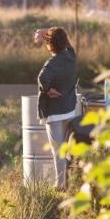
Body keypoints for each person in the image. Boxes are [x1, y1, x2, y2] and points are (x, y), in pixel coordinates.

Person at [34, 27, 77, 190]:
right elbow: (67, 44)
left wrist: (47, 89)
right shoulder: (71, 56)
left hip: (55, 113)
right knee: (66, 150)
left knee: (57, 152)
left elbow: (42, 78)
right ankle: (68, 182)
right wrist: (47, 32)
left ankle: (60, 185)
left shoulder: (52, 63)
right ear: (65, 41)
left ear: (50, 44)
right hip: (69, 109)